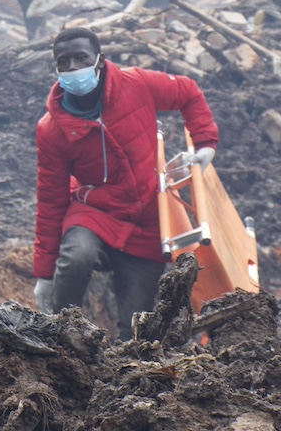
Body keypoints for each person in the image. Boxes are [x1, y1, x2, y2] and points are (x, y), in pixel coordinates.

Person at [32, 28, 219, 340]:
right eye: (63, 62)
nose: (73, 68)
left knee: (138, 330)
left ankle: (121, 375)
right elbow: (50, 201)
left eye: (81, 58)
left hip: (147, 218)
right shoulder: (51, 129)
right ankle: (60, 339)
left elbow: (187, 92)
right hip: (94, 211)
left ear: (100, 61)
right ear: (56, 69)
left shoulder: (136, 84)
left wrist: (205, 145)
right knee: (76, 257)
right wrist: (44, 274)